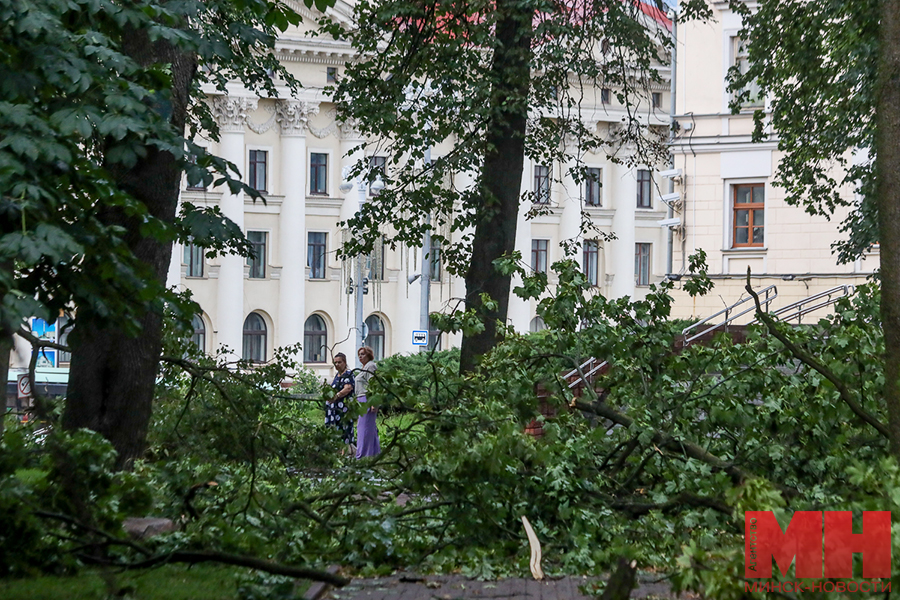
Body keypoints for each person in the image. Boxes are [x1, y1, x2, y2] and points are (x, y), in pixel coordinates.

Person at [354, 346, 381, 458]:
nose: (360, 356)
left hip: (366, 398)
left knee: (363, 427)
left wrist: (374, 402)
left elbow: (373, 384)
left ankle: (362, 454)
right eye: (359, 354)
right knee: (369, 427)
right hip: (361, 399)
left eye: (363, 354)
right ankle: (373, 453)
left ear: (369, 355)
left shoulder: (371, 366)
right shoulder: (364, 367)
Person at [326, 353, 355, 450]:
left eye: (339, 362)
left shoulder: (348, 374)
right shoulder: (337, 375)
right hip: (334, 409)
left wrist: (337, 396)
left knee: (344, 430)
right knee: (334, 431)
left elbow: (348, 388)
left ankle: (347, 452)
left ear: (345, 362)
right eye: (335, 363)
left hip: (343, 409)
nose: (337, 364)